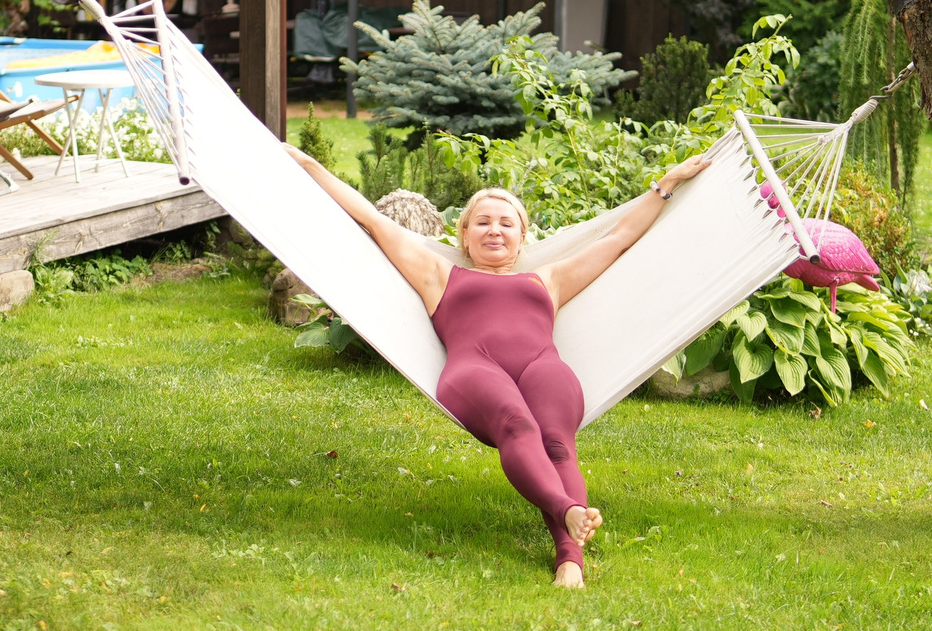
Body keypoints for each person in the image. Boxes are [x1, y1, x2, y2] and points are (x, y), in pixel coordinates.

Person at [285, 146, 718, 588]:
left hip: (542, 365)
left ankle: (570, 563)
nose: (495, 230)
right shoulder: (438, 273)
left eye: (506, 223)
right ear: (465, 235)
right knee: (517, 425)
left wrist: (667, 183)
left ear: (522, 236)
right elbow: (373, 222)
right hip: (474, 369)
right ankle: (567, 510)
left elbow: (619, 238)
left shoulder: (547, 280)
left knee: (558, 443)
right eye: (484, 222)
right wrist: (310, 165)